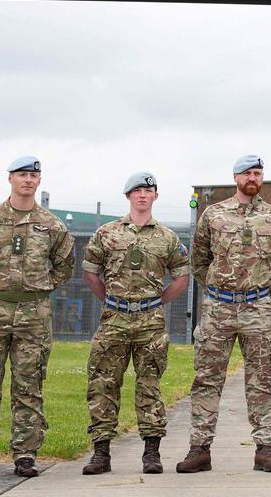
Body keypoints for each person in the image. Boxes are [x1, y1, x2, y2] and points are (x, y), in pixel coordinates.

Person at [177, 155, 271, 474]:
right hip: (218, 308)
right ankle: (199, 449)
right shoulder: (213, 214)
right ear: (235, 177)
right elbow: (199, 259)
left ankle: (265, 449)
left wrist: (266, 291)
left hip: (258, 307)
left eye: (258, 172)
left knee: (262, 379)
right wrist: (219, 291)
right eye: (247, 173)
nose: (253, 177)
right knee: (207, 379)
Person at [82, 172, 190, 475]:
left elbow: (182, 276)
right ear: (128, 196)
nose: (143, 195)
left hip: (150, 323)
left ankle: (151, 453)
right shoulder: (107, 233)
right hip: (113, 319)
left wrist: (157, 302)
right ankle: (101, 453)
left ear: (155, 196)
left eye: (148, 190)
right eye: (137, 191)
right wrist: (110, 300)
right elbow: (90, 271)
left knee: (149, 385)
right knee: (103, 383)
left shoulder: (167, 238)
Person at [0, 156, 74, 478]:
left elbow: (65, 264)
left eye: (33, 175)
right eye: (22, 174)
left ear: (39, 181)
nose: (28, 180)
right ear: (9, 178)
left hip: (33, 314)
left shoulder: (51, 225)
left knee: (30, 384)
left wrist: (43, 286)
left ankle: (25, 454)